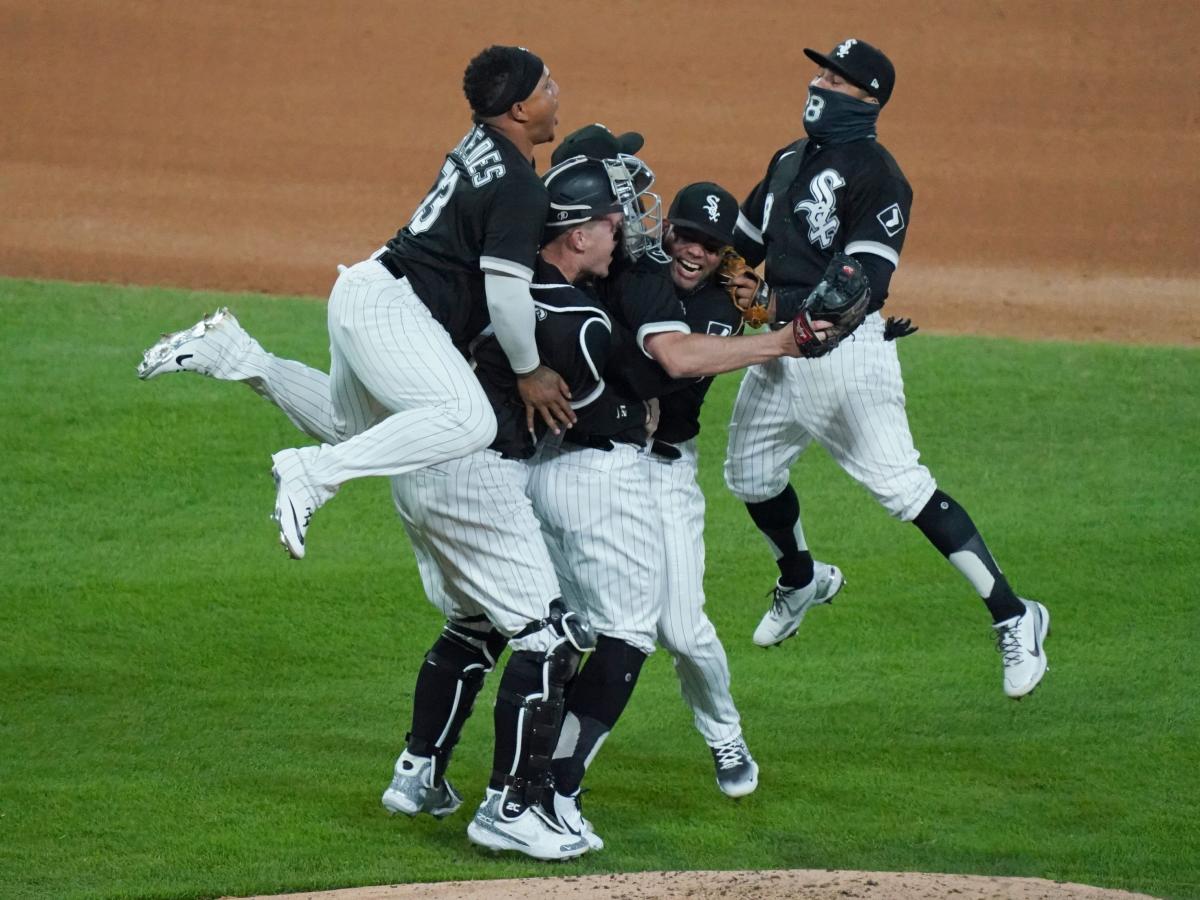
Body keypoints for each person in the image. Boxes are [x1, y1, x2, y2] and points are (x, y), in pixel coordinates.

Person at [134, 155, 654, 861]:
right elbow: (602, 412)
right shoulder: (581, 324)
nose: (622, 228)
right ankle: (510, 808)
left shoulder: (490, 280)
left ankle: (418, 776)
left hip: (424, 460)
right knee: (550, 640)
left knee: (471, 620)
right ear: (576, 234)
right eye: (608, 220)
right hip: (476, 477)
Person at [138, 45, 577, 561]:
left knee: (360, 431)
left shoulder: (487, 144)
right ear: (519, 111)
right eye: (546, 86)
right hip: (395, 310)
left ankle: (236, 356)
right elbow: (505, 297)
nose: (557, 93)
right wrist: (529, 370)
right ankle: (313, 474)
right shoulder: (520, 186)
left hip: (367, 288)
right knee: (467, 420)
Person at [723, 38, 1050, 699]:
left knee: (903, 488)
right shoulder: (789, 159)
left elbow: (864, 282)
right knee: (750, 475)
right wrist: (708, 265)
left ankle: (1015, 615)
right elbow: (744, 242)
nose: (819, 84)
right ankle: (802, 578)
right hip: (780, 352)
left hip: (846, 351)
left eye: (835, 79)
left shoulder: (880, 177)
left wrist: (770, 304)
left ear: (867, 99)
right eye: (819, 72)